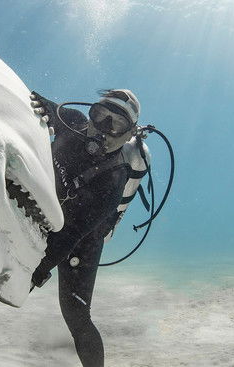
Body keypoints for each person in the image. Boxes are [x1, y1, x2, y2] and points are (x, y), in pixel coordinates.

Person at [29, 88, 150, 367]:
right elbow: (33, 104)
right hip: (44, 213)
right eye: (99, 115)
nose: (104, 128)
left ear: (129, 133)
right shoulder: (69, 120)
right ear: (90, 112)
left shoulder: (114, 180)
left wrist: (38, 268)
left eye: (116, 123)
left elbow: (70, 235)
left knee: (77, 316)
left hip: (82, 242)